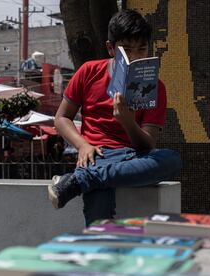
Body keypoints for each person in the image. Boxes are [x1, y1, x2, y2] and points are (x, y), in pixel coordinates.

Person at [48, 9, 182, 226]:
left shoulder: (156, 87)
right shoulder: (88, 71)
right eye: (127, 50)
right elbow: (61, 118)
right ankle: (88, 178)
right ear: (111, 48)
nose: (136, 56)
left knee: (172, 160)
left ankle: (79, 180)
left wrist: (127, 120)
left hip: (132, 158)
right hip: (95, 154)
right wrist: (82, 145)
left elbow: (147, 143)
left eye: (142, 49)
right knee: (98, 224)